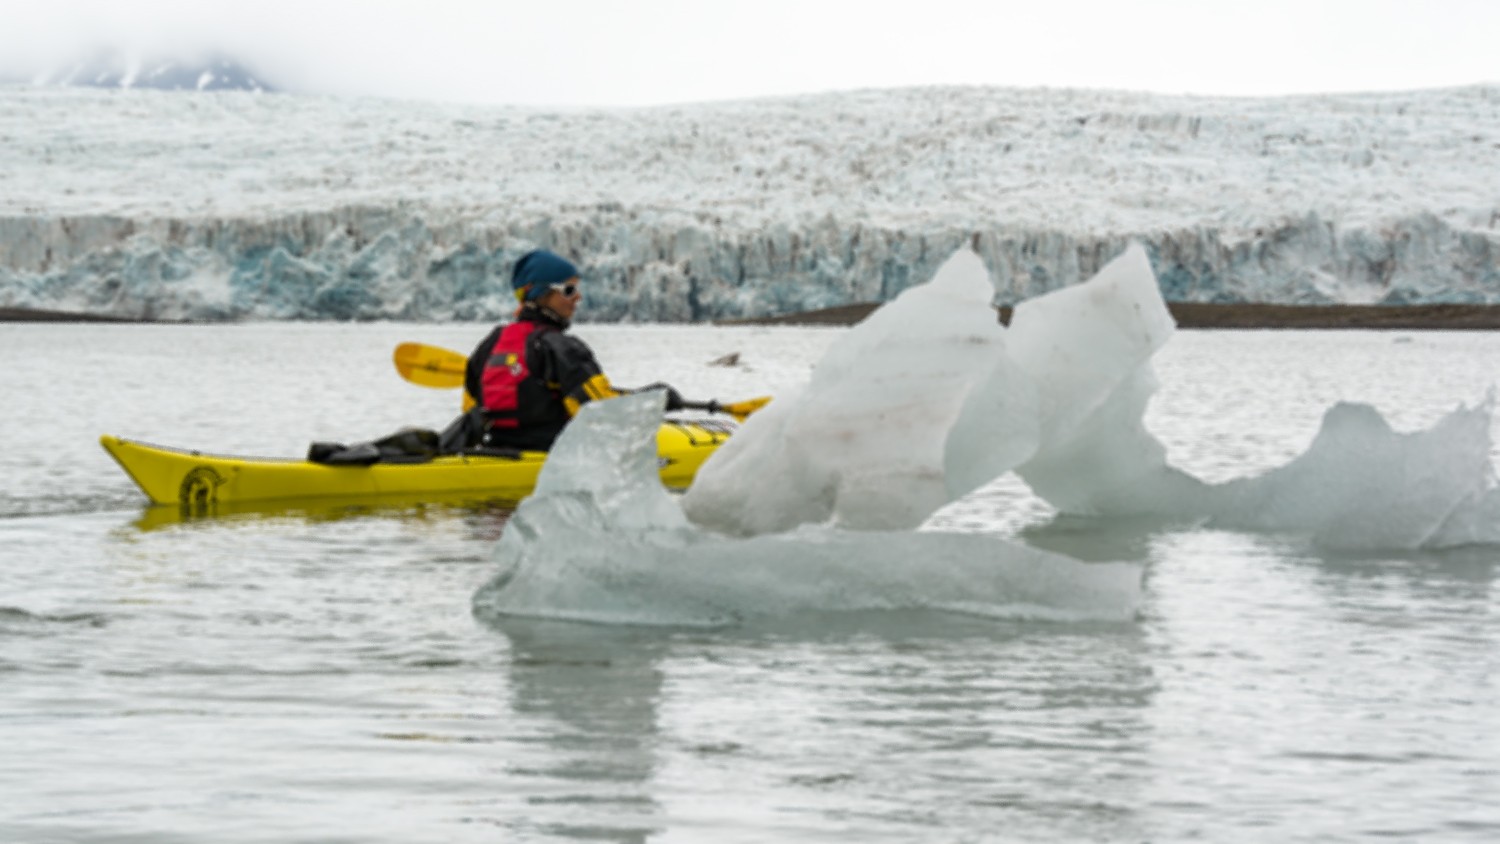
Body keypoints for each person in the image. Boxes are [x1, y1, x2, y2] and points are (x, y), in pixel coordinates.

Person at [460, 249, 681, 452]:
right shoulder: (562, 347)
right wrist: (652, 400)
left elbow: (470, 412)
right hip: (554, 457)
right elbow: (602, 413)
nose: (578, 297)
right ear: (541, 293)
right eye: (569, 290)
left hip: (498, 451)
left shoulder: (490, 344)